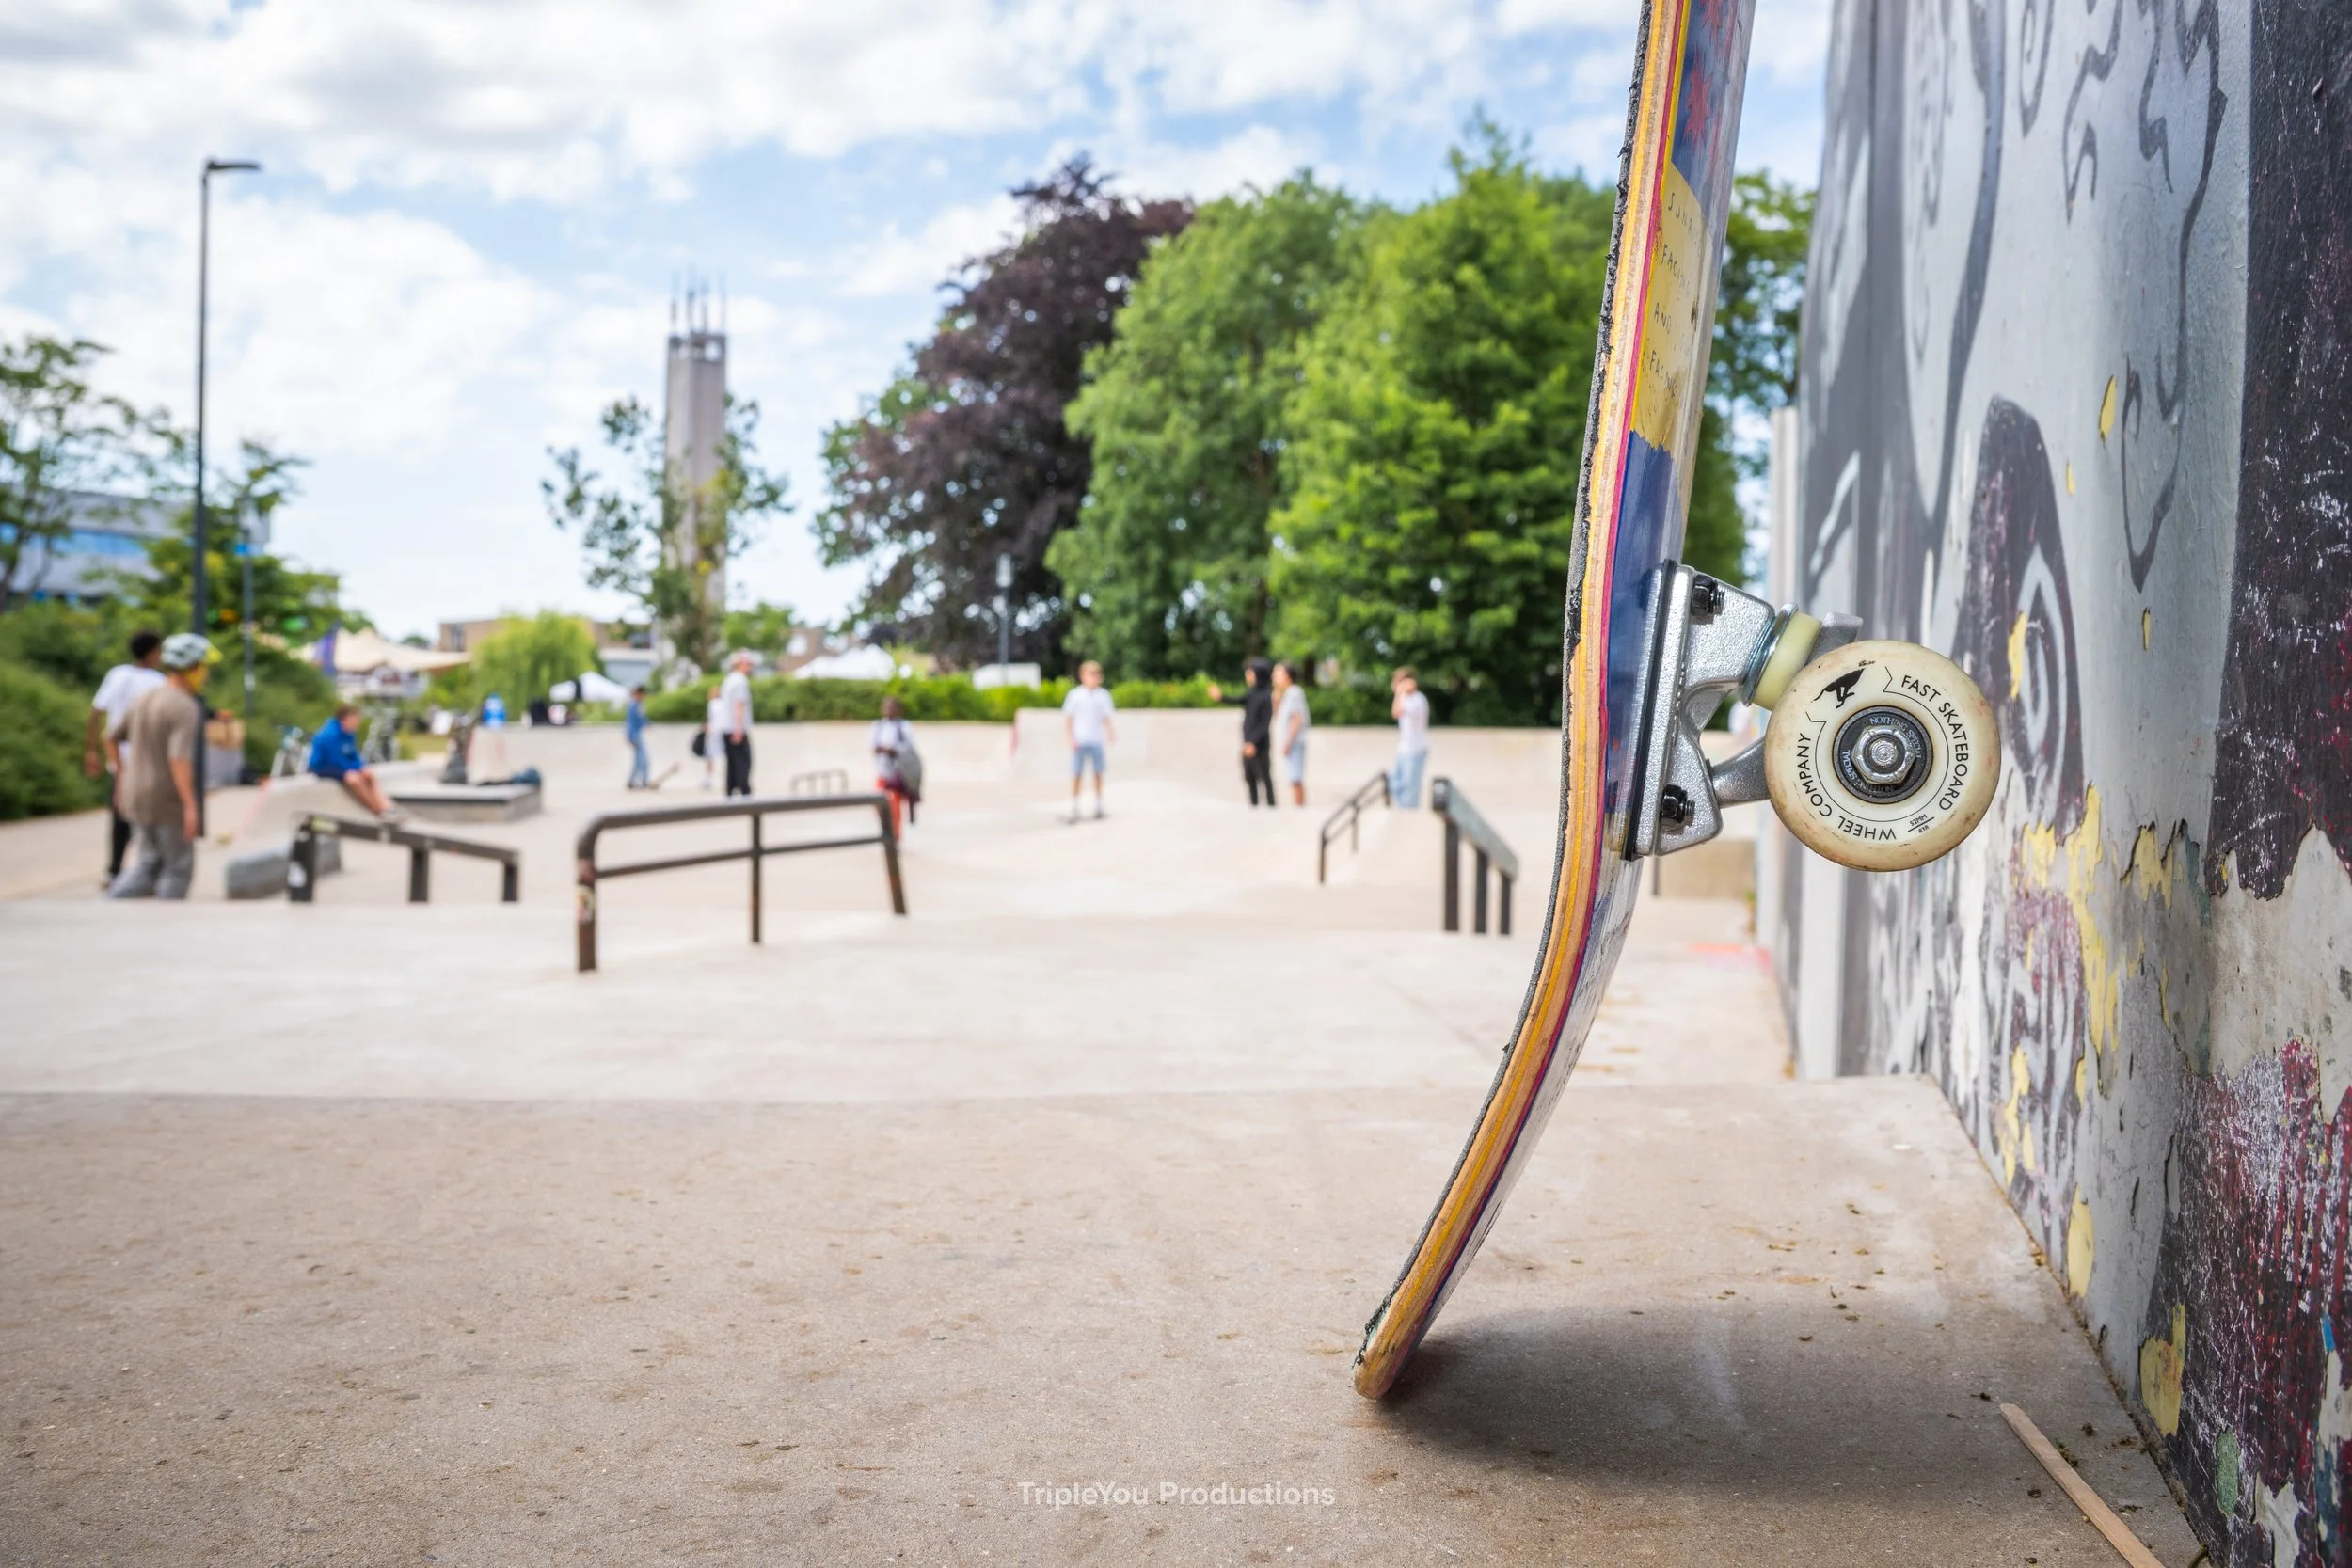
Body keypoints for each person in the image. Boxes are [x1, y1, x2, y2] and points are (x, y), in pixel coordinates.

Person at [107, 633, 212, 900]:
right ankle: (168, 929)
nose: (206, 674)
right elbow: (179, 760)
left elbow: (110, 737)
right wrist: (190, 805)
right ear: (192, 667)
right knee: (177, 867)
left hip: (136, 793)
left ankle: (109, 904)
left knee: (147, 863)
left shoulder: (145, 698)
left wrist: (121, 776)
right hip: (167, 799)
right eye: (203, 667)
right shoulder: (184, 707)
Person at [87, 628, 166, 885]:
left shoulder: (117, 674)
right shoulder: (157, 682)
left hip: (116, 759)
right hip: (143, 762)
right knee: (145, 817)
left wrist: (90, 751)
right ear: (153, 652)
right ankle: (141, 870)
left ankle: (114, 870)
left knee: (120, 816)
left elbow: (96, 713)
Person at [308, 704, 402, 817]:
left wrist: (361, 767)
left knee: (368, 774)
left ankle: (385, 805)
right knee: (354, 779)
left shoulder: (349, 733)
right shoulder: (330, 735)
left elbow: (353, 755)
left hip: (341, 765)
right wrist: (355, 769)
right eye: (355, 720)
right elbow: (335, 760)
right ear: (345, 719)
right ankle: (376, 810)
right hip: (324, 766)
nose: (357, 723)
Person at [1207, 658, 1276, 807]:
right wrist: (1220, 697)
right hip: (1248, 742)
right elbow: (1237, 700)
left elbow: (1265, 723)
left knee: (1264, 776)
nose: (1248, 676)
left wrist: (1253, 742)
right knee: (1249, 776)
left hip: (1259, 743)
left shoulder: (1266, 696)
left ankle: (1272, 808)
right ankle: (1254, 806)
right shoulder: (1252, 694)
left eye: (1250, 674)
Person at [1060, 660, 1115, 822]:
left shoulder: (1103, 696)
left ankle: (1098, 804)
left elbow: (1106, 717)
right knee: (1077, 773)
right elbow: (1068, 718)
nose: (1094, 678)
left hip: (1096, 740)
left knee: (1098, 773)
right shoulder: (1075, 695)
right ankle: (1075, 804)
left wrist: (1111, 732)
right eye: (1091, 675)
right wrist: (1069, 738)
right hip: (1080, 740)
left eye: (1096, 675)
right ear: (1083, 676)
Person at [869, 695, 917, 834]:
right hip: (882, 773)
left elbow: (908, 748)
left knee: (894, 807)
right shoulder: (877, 726)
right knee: (878, 805)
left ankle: (894, 838)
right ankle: (887, 832)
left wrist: (892, 750)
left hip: (897, 774)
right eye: (886, 707)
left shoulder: (904, 727)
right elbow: (873, 746)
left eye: (891, 707)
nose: (888, 710)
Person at [1390, 666, 1431, 808]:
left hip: (1416, 751)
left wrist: (1399, 693)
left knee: (1410, 791)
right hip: (1403, 749)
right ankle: (1403, 812)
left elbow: (1397, 712)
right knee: (1395, 784)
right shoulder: (1406, 699)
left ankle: (1408, 818)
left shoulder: (1418, 700)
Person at [1272, 660, 1311, 807]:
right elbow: (1278, 718)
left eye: (1278, 672)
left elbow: (1297, 719)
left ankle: (1299, 808)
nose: (1274, 676)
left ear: (1288, 676)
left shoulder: (1294, 692)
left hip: (1294, 743)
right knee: (1292, 777)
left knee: (1295, 778)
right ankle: (1298, 807)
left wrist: (1288, 741)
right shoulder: (1287, 694)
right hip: (1290, 743)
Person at [719, 650, 755, 797]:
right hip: (735, 728)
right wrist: (739, 729)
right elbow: (738, 705)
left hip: (727, 727)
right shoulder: (740, 681)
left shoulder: (729, 680)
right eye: (748, 663)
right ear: (740, 664)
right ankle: (744, 791)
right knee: (743, 762)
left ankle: (730, 792)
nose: (750, 666)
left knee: (731, 763)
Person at [624, 686, 650, 789]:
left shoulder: (638, 704)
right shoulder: (633, 705)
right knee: (641, 760)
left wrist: (647, 723)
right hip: (635, 735)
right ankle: (640, 781)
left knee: (640, 760)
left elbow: (642, 717)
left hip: (637, 734)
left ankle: (635, 780)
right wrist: (631, 737)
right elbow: (630, 722)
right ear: (639, 694)